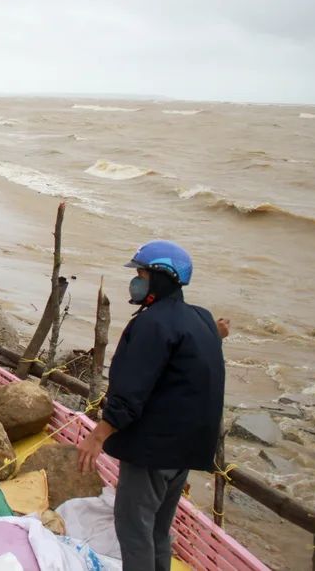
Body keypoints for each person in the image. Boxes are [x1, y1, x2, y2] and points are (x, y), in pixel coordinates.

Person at [76, 240, 228, 571]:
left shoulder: (152, 323)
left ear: (160, 277)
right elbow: (191, 355)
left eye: (142, 274)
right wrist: (216, 333)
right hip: (187, 451)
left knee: (133, 531)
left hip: (153, 451)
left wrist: (98, 435)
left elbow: (130, 392)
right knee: (159, 530)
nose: (136, 280)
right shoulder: (201, 319)